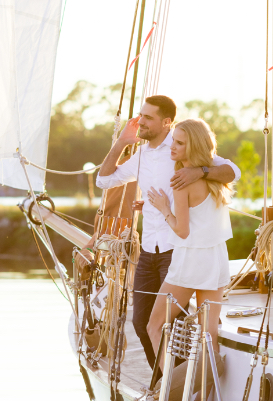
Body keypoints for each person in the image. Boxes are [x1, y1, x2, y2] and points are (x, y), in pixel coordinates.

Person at [96, 96, 240, 369]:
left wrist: (200, 172)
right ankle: (166, 382)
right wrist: (121, 143)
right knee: (142, 322)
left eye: (147, 117)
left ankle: (174, 388)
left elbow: (233, 171)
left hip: (177, 249)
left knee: (171, 325)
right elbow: (104, 180)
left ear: (166, 122)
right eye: (141, 115)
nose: (140, 122)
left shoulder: (180, 150)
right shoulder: (141, 155)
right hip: (150, 249)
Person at [146, 118, 232, 371]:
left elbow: (182, 230)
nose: (172, 147)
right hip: (216, 259)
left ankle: (169, 391)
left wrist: (164, 208)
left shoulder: (181, 181)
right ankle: (207, 397)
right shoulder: (216, 179)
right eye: (173, 140)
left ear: (192, 147)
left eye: (180, 143)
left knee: (155, 325)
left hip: (190, 260)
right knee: (209, 334)